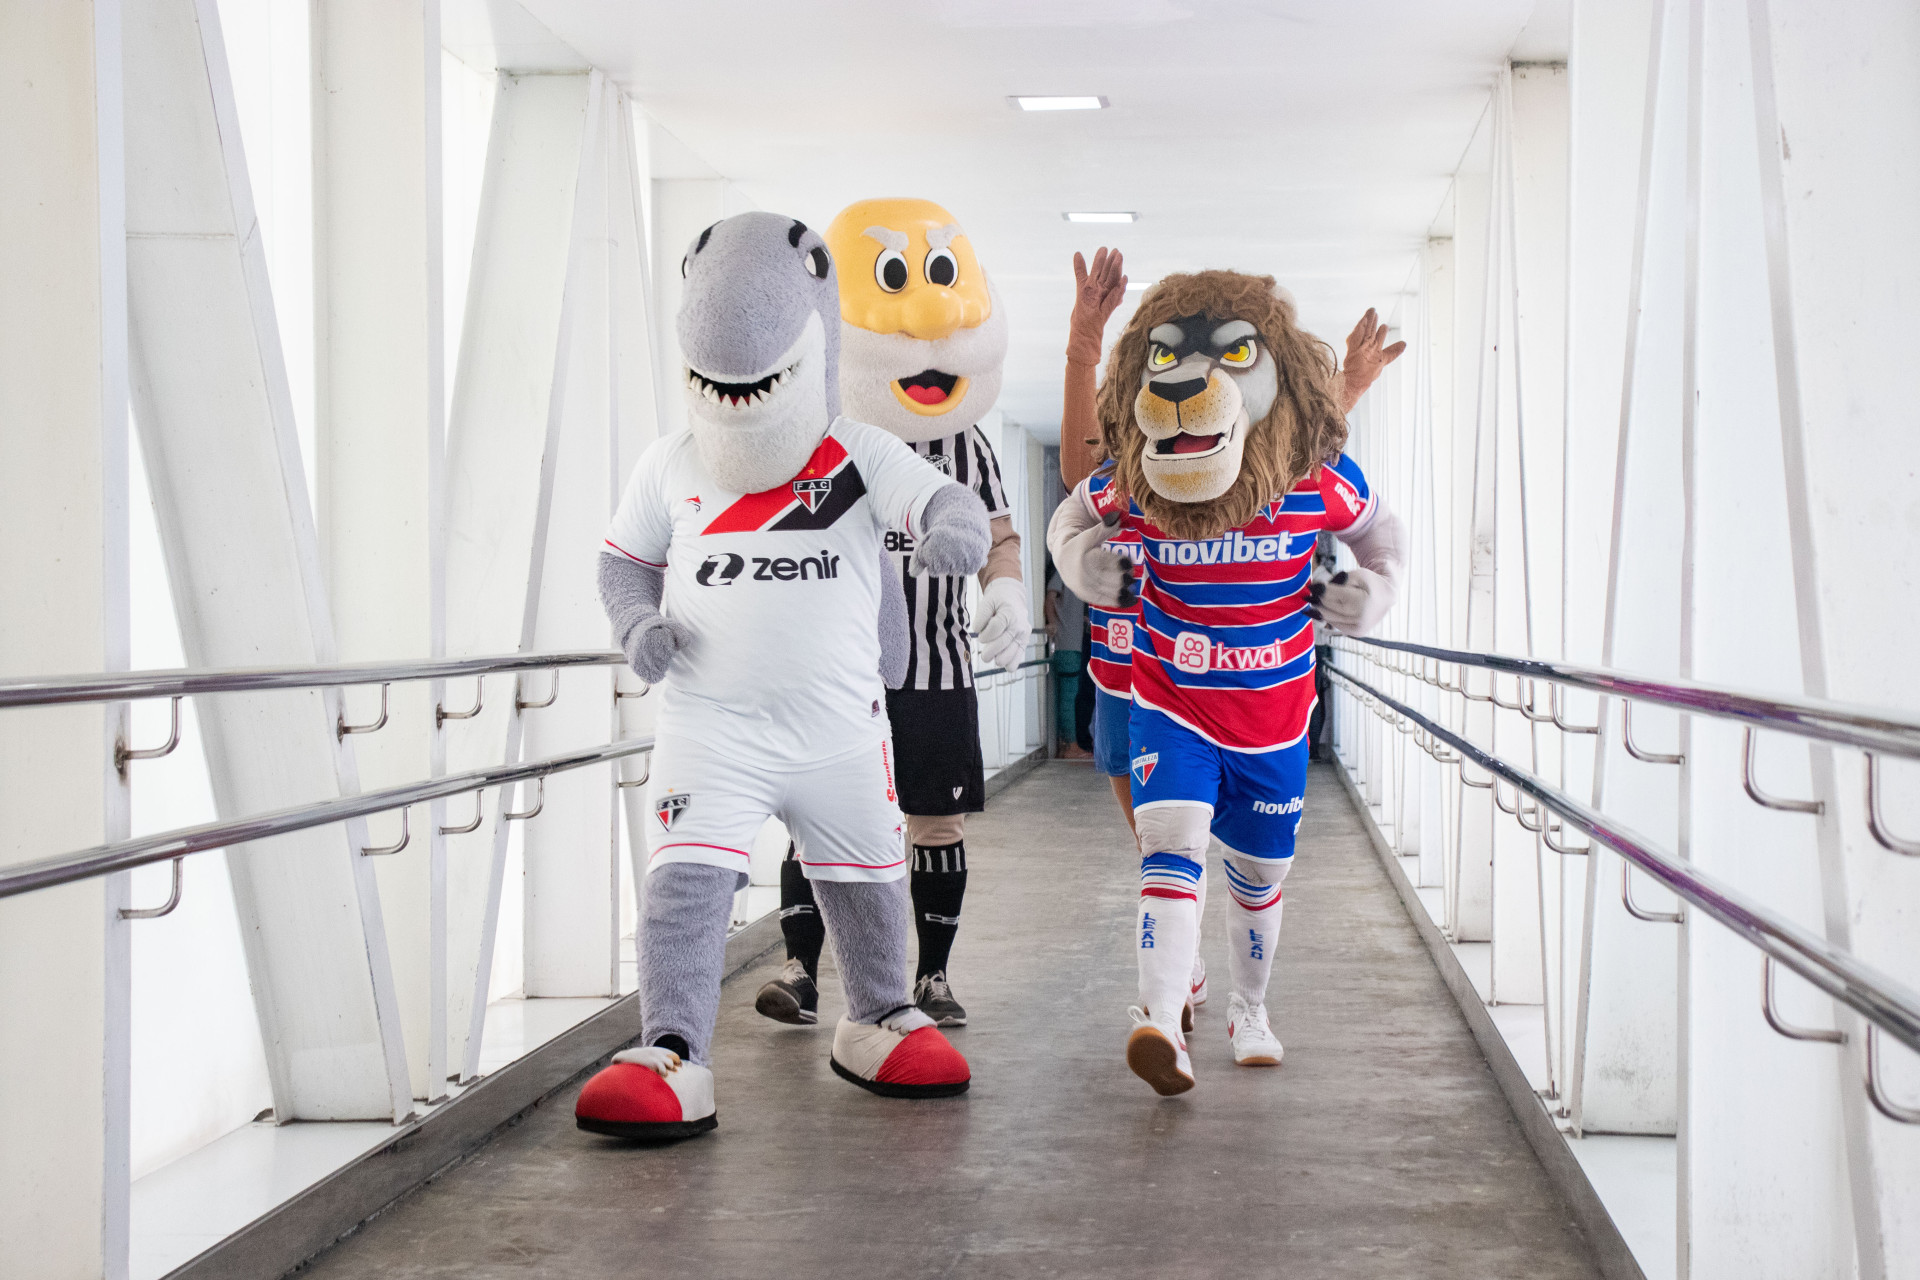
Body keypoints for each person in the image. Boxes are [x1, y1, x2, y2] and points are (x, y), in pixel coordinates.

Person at [573, 212, 978, 1141]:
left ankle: (878, 1014)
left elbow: (934, 497)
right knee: (685, 887)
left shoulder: (856, 451)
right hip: (710, 724)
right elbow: (622, 562)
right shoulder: (668, 463)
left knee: (870, 880)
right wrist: (637, 619)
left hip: (840, 727)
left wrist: (951, 526)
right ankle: (671, 1048)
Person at [1049, 263, 1406, 1096]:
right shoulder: (1138, 479)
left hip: (1275, 716)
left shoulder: (1311, 479)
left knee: (1258, 880)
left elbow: (1383, 535)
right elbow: (1075, 510)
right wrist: (1082, 566)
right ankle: (1161, 1020)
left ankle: (1251, 1007)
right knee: (1167, 848)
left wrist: (1374, 594)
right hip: (1168, 701)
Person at [755, 199, 1026, 1032]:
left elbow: (1001, 535)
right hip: (834, 669)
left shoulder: (966, 440)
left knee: (933, 820)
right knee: (816, 819)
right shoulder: (817, 436)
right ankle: (801, 969)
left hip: (936, 664)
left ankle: (931, 977)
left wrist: (1005, 587)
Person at [1044, 564, 1093, 758]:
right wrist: (1054, 624)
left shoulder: (1072, 570)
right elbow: (1050, 597)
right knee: (1069, 695)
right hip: (1067, 642)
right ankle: (1070, 745)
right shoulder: (1064, 569)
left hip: (1074, 641)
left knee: (1071, 695)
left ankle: (1069, 744)